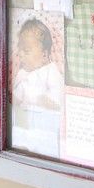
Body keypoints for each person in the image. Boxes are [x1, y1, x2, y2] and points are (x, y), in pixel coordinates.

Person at [12, 18, 63, 157]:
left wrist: (39, 99)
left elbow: (58, 100)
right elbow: (14, 100)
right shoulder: (22, 74)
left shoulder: (50, 71)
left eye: (26, 51)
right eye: (20, 51)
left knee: (44, 150)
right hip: (23, 125)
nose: (21, 54)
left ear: (44, 54)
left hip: (45, 128)